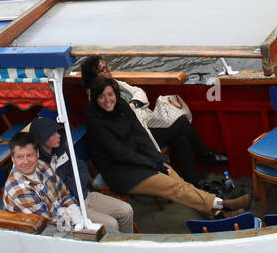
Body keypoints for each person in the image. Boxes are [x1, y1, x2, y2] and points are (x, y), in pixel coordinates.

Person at [86, 78, 249, 219]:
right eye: (101, 97)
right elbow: (120, 154)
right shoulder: (95, 123)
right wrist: (152, 164)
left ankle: (218, 214)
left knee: (175, 178)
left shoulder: (121, 106)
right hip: (121, 172)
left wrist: (157, 160)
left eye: (110, 94)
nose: (107, 100)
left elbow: (140, 135)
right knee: (172, 186)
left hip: (138, 161)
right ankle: (223, 204)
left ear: (115, 94)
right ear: (95, 99)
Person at [80, 56, 228, 183]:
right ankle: (204, 154)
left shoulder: (113, 83)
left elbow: (138, 91)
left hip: (144, 124)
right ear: (94, 76)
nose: (109, 70)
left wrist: (134, 104)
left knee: (181, 137)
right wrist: (134, 111)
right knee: (181, 123)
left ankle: (194, 180)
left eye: (107, 67)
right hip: (137, 137)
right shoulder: (97, 97)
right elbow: (122, 124)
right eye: (104, 69)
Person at [29, 117, 133, 233]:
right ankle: (117, 247)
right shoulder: (38, 166)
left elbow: (82, 169)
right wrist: (72, 185)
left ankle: (130, 244)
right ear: (42, 139)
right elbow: (55, 194)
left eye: (58, 132)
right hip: (73, 208)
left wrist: (73, 185)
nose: (58, 135)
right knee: (112, 224)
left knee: (127, 210)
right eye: (52, 134)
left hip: (85, 195)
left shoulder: (63, 151)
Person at [2, 133, 84, 232]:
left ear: (37, 154)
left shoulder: (42, 166)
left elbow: (64, 194)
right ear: (12, 158)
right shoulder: (18, 189)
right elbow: (48, 224)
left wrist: (72, 207)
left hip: (60, 221)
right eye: (20, 157)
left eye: (30, 155)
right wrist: (71, 218)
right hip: (39, 234)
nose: (26, 161)